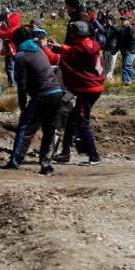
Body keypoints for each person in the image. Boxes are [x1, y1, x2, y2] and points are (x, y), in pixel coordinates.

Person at [5, 27, 64, 174]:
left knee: (26, 128)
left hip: (43, 94)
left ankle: (15, 161)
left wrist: (22, 103)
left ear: (16, 41)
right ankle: (46, 165)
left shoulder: (21, 55)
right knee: (49, 130)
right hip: (57, 91)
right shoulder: (38, 50)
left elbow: (22, 83)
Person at [52, 21, 105, 166]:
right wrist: (62, 47)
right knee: (72, 120)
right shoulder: (91, 43)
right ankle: (65, 153)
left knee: (83, 122)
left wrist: (53, 52)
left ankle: (94, 157)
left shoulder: (79, 48)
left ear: (74, 34)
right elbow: (76, 51)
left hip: (87, 89)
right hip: (95, 86)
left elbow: (68, 59)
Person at [0, 12, 22, 88]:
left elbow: (2, 35)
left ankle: (12, 84)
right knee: (15, 68)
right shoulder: (19, 28)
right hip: (18, 51)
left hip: (10, 51)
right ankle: (13, 83)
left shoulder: (12, 30)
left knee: (9, 68)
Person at [118, 15, 135, 85]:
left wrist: (129, 49)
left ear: (128, 21)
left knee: (127, 65)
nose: (123, 21)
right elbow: (120, 41)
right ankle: (126, 82)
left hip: (131, 50)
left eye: (124, 20)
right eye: (122, 20)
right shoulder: (123, 29)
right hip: (124, 50)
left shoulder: (131, 28)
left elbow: (134, 40)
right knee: (124, 67)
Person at [101, 15, 120, 82]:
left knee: (111, 64)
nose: (107, 22)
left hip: (113, 49)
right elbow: (100, 30)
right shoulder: (105, 28)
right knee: (105, 65)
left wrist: (112, 25)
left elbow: (119, 31)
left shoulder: (115, 27)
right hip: (106, 49)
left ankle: (110, 79)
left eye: (109, 20)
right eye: (107, 20)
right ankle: (106, 79)